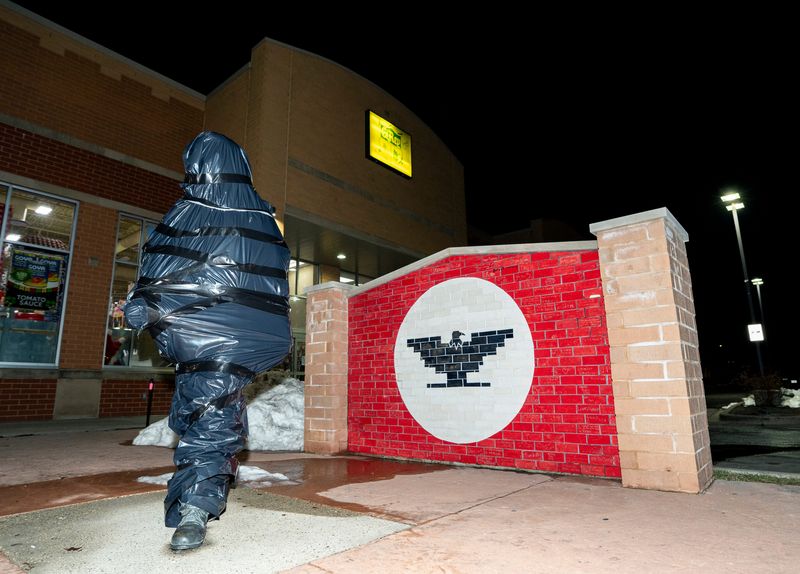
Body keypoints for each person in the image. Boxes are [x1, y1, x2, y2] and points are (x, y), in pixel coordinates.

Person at [124, 131, 291, 550]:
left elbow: (162, 268)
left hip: (200, 335)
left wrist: (141, 307)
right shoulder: (264, 217)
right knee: (218, 405)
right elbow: (273, 277)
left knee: (208, 413)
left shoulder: (188, 211)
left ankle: (196, 507)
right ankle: (209, 482)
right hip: (247, 336)